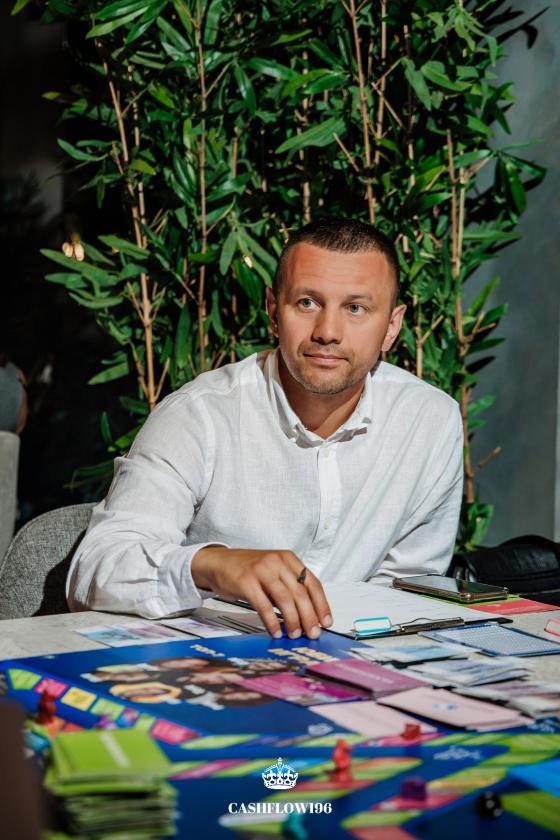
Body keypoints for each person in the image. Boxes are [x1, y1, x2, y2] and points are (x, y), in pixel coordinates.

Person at [67, 219, 463, 640]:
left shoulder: (429, 421)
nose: (328, 332)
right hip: (207, 660)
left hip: (351, 661)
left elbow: (408, 592)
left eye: (356, 309)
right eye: (307, 303)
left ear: (392, 326)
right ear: (274, 310)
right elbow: (94, 571)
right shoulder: (199, 414)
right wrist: (213, 565)